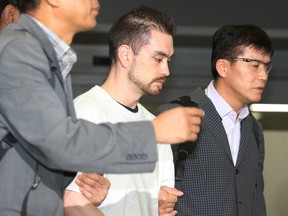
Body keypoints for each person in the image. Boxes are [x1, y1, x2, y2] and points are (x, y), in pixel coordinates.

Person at [0, 0, 204, 215]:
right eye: (158, 58)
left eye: (168, 60)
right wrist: (152, 133)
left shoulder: (53, 62)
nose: (95, 2)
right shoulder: (20, 49)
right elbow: (56, 141)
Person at [64, 5, 191, 216]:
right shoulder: (86, 112)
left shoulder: (157, 127)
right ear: (125, 55)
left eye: (169, 60)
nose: (166, 70)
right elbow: (71, 202)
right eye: (158, 59)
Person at [155, 24, 274, 216]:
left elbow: (256, 196)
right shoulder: (177, 115)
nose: (263, 76)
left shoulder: (254, 129)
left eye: (266, 67)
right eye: (254, 66)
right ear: (223, 67)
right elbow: (145, 192)